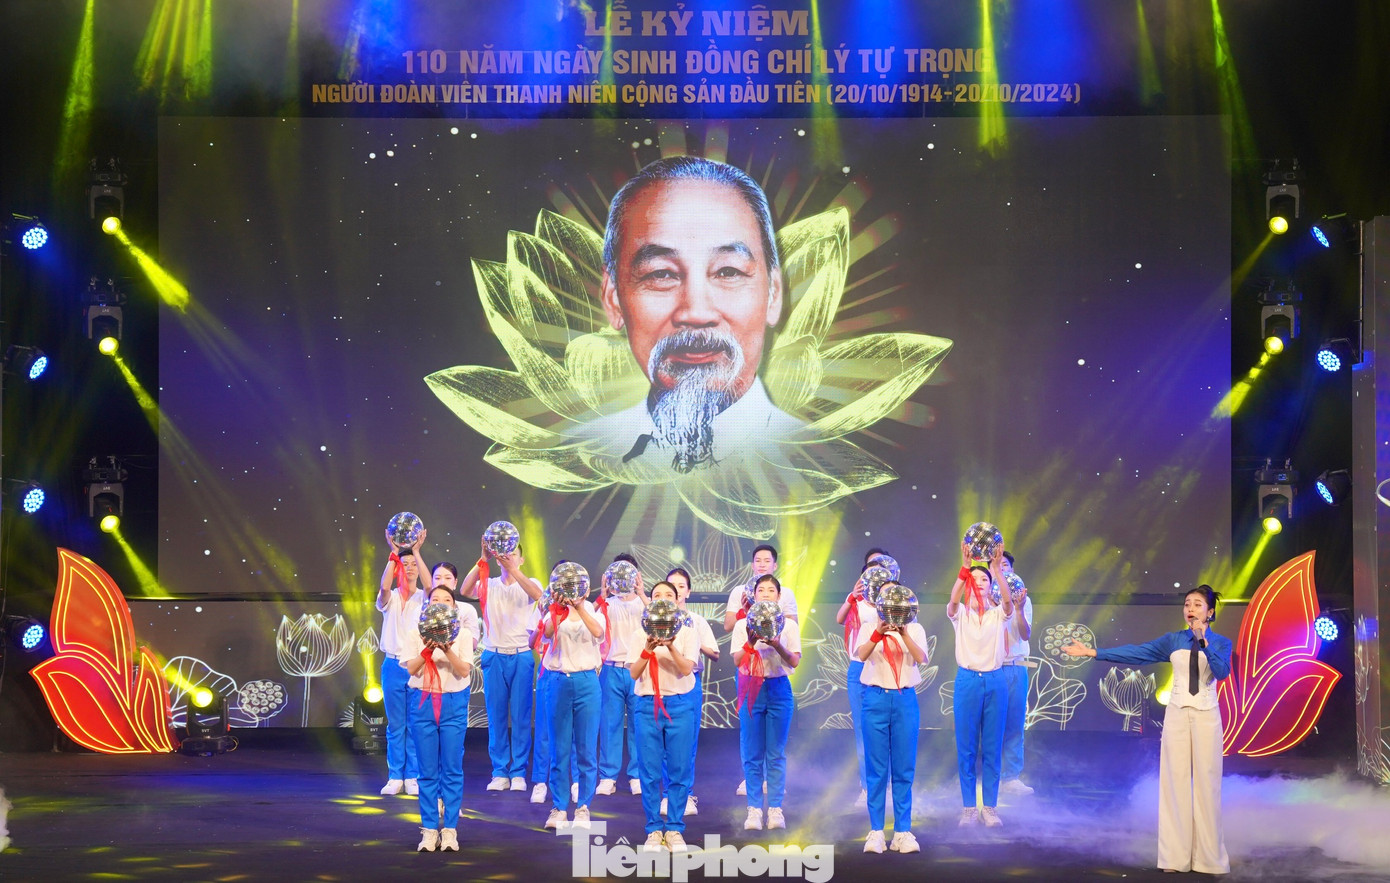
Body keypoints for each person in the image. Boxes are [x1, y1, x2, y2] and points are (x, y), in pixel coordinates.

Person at [576, 155, 802, 474]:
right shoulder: (571, 462)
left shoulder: (823, 463)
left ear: (774, 294)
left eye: (728, 271)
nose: (696, 313)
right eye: (661, 274)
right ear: (613, 299)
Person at [1063, 586, 1232, 875]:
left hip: (1207, 715)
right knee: (1174, 783)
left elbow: (1222, 672)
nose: (1190, 609)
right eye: (1187, 604)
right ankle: (1175, 858)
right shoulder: (1173, 640)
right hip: (1177, 713)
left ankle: (1209, 859)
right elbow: (1137, 653)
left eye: (1197, 604)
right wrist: (1093, 652)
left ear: (1210, 612)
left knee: (1208, 784)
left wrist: (1203, 641)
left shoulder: (1220, 642)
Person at [460, 541, 543, 793]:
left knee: (520, 716)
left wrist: (513, 570)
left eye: (513, 555)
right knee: (496, 716)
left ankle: (518, 772)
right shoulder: (489, 584)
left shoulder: (531, 582)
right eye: (504, 555)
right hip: (494, 655)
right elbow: (465, 590)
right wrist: (482, 558)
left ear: (521, 559)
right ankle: (499, 771)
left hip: (521, 655)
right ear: (497, 558)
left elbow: (538, 596)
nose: (508, 558)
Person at [854, 580, 926, 855]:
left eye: (897, 599)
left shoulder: (915, 628)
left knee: (904, 768)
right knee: (876, 768)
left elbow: (920, 658)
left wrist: (904, 633)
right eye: (887, 598)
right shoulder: (868, 627)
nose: (892, 604)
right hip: (875, 698)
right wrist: (878, 632)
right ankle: (876, 831)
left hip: (905, 699)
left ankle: (902, 832)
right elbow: (861, 655)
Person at [629, 581, 701, 853]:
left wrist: (670, 646)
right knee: (648, 772)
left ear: (677, 600)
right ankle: (653, 830)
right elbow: (634, 673)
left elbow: (686, 669)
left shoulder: (687, 632)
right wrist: (648, 648)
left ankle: (674, 829)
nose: (662, 598)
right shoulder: (639, 633)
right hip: (647, 705)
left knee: (679, 770)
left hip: (679, 706)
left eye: (668, 595)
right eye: (657, 595)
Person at [401, 586, 474, 852]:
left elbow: (464, 670)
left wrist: (448, 649)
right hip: (423, 701)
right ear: (427, 607)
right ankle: (430, 830)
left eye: (446, 600)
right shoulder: (415, 633)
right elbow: (411, 668)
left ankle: (450, 830)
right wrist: (428, 650)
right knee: (427, 771)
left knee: (452, 768)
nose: (441, 604)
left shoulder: (463, 634)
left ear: (454, 608)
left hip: (453, 703)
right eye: (435, 600)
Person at [947, 544, 1013, 828]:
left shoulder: (999, 613)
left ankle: (990, 807)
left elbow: (1008, 603)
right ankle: (968, 808)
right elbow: (952, 601)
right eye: (974, 579)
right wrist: (965, 568)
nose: (979, 582)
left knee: (992, 746)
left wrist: (996, 569)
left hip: (996, 681)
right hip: (967, 681)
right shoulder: (960, 613)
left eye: (984, 578)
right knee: (966, 747)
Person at [725, 543, 798, 797]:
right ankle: (752, 787)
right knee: (751, 740)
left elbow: (793, 639)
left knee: (776, 746)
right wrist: (749, 619)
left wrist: (774, 634)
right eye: (758, 560)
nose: (762, 564)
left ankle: (774, 791)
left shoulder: (786, 597)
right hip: (749, 676)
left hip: (777, 680)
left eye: (767, 560)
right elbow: (730, 628)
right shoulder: (739, 594)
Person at [732, 574, 802, 831]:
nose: (765, 594)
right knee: (752, 752)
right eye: (761, 590)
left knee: (775, 753)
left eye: (771, 590)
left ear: (779, 596)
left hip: (779, 689)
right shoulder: (743, 625)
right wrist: (750, 642)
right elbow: (737, 661)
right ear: (754, 595)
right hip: (751, 688)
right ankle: (753, 809)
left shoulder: (789, 626)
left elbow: (794, 661)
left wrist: (777, 644)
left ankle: (774, 809)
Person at [541, 570, 607, 831]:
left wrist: (579, 607)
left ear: (586, 589)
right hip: (558, 680)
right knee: (559, 749)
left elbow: (598, 632)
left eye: (577, 586)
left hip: (587, 681)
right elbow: (547, 634)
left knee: (586, 748)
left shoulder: (593, 611)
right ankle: (559, 807)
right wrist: (557, 610)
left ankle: (583, 807)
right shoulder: (554, 611)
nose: (571, 591)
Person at [661, 566, 719, 818]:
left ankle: (686, 795)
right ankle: (667, 794)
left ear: (688, 592)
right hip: (662, 682)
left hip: (689, 682)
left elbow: (715, 654)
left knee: (687, 743)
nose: (676, 591)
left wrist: (693, 638)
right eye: (671, 587)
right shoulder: (655, 619)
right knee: (664, 742)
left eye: (681, 586)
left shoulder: (696, 621)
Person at [835, 549, 890, 807]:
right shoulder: (856, 602)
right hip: (859, 668)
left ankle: (888, 786)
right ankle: (868, 788)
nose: (874, 576)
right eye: (869, 572)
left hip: (884, 669)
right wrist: (851, 595)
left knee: (885, 730)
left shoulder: (892, 601)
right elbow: (839, 618)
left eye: (880, 572)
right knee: (862, 731)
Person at [375, 530, 428, 797]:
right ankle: (395, 775)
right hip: (393, 666)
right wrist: (394, 552)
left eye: (413, 564)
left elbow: (432, 587)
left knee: (415, 723)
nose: (409, 568)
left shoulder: (425, 598)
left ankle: (413, 776)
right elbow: (384, 588)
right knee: (396, 724)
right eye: (404, 564)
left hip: (416, 666)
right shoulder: (391, 597)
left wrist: (416, 551)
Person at [597, 554, 648, 797]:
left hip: (638, 669)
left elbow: (658, 618)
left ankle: (637, 775)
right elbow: (589, 622)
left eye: (628, 573)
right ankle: (608, 776)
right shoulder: (607, 603)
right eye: (617, 573)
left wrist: (642, 593)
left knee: (639, 724)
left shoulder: (644, 603)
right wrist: (602, 595)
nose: (622, 578)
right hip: (611, 668)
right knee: (610, 724)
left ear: (636, 576)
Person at [997, 551, 1035, 796]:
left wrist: (1019, 609)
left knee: (1014, 723)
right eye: (997, 566)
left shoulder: (1024, 600)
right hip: (991, 668)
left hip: (1016, 667)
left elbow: (1025, 634)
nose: (1002, 569)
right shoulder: (983, 600)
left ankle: (1010, 777)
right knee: (989, 724)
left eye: (1005, 565)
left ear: (1012, 570)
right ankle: (988, 775)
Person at [431, 562, 481, 645]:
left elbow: (473, 643)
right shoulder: (421, 611)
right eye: (437, 578)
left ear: (455, 583)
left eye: (447, 578)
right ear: (432, 582)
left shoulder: (467, 609)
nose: (442, 582)